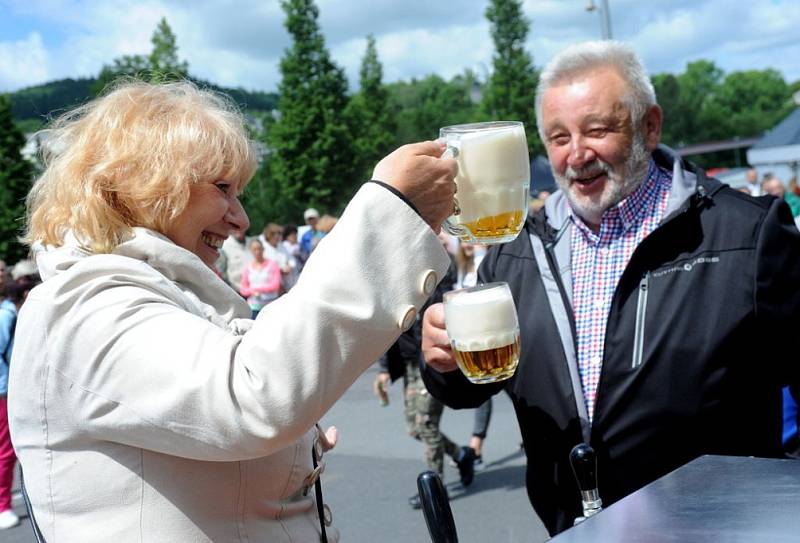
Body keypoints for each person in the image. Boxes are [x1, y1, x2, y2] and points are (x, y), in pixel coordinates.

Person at [9, 80, 457, 542]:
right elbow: (254, 397)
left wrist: (288, 455)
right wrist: (392, 210)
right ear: (144, 183)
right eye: (223, 188)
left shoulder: (149, 294)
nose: (240, 219)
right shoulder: (83, 304)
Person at [420, 40, 800, 536]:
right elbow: (468, 389)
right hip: (572, 529)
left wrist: (782, 502)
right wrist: (442, 359)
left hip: (721, 529)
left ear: (650, 125)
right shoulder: (517, 255)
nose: (576, 154)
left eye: (596, 130)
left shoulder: (745, 235)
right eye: (558, 137)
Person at [373, 246, 475, 510]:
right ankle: (460, 453)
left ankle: (436, 489)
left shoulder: (436, 271)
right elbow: (388, 329)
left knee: (426, 424)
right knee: (414, 428)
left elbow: (445, 308)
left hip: (428, 362)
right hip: (407, 365)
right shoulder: (391, 281)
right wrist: (385, 369)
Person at [0, 279, 36, 530]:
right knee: (6, 451)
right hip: (4, 392)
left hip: (8, 390)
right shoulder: (7, 317)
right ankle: (2, 506)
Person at [239, 238, 281, 318]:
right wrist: (252, 291)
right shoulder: (248, 267)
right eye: (255, 249)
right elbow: (243, 289)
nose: (257, 252)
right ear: (251, 251)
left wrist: (256, 289)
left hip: (271, 304)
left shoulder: (272, 264)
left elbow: (275, 285)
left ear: (263, 249)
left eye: (259, 249)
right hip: (254, 306)